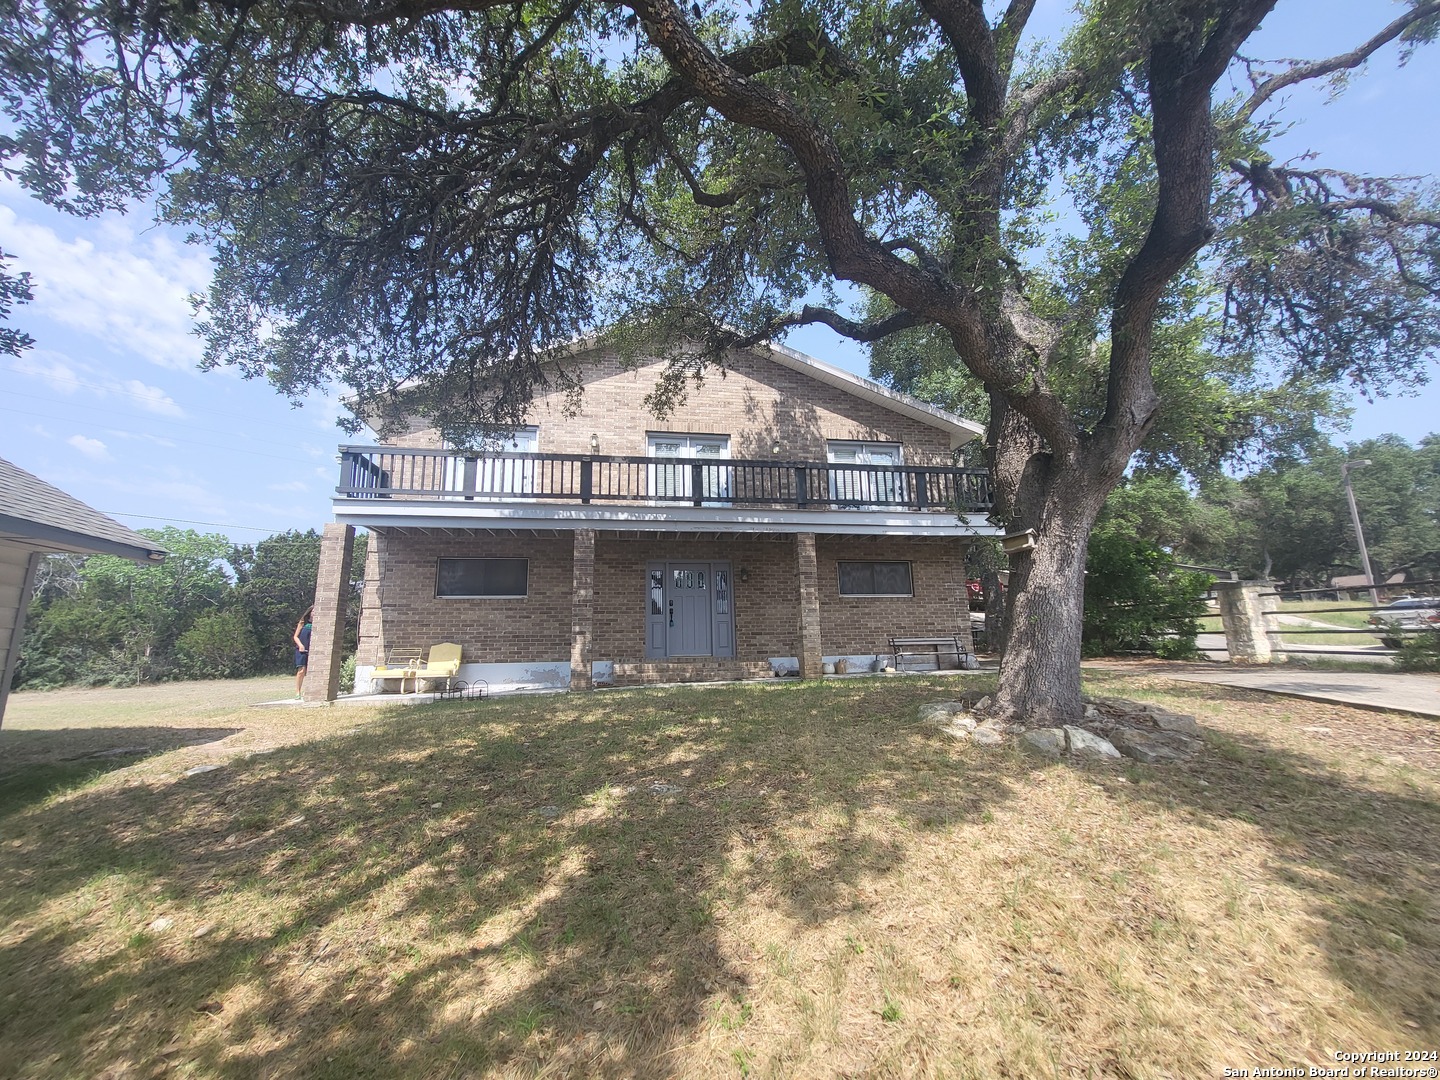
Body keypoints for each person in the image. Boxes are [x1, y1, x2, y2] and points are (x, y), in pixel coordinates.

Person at [293, 607, 313, 699]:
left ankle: (309, 691)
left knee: (311, 671)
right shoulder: (303, 623)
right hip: (301, 650)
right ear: (309, 613)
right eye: (313, 611)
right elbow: (295, 637)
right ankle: (298, 692)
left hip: (312, 650)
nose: (315, 613)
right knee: (301, 671)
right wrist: (300, 645)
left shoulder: (318, 624)